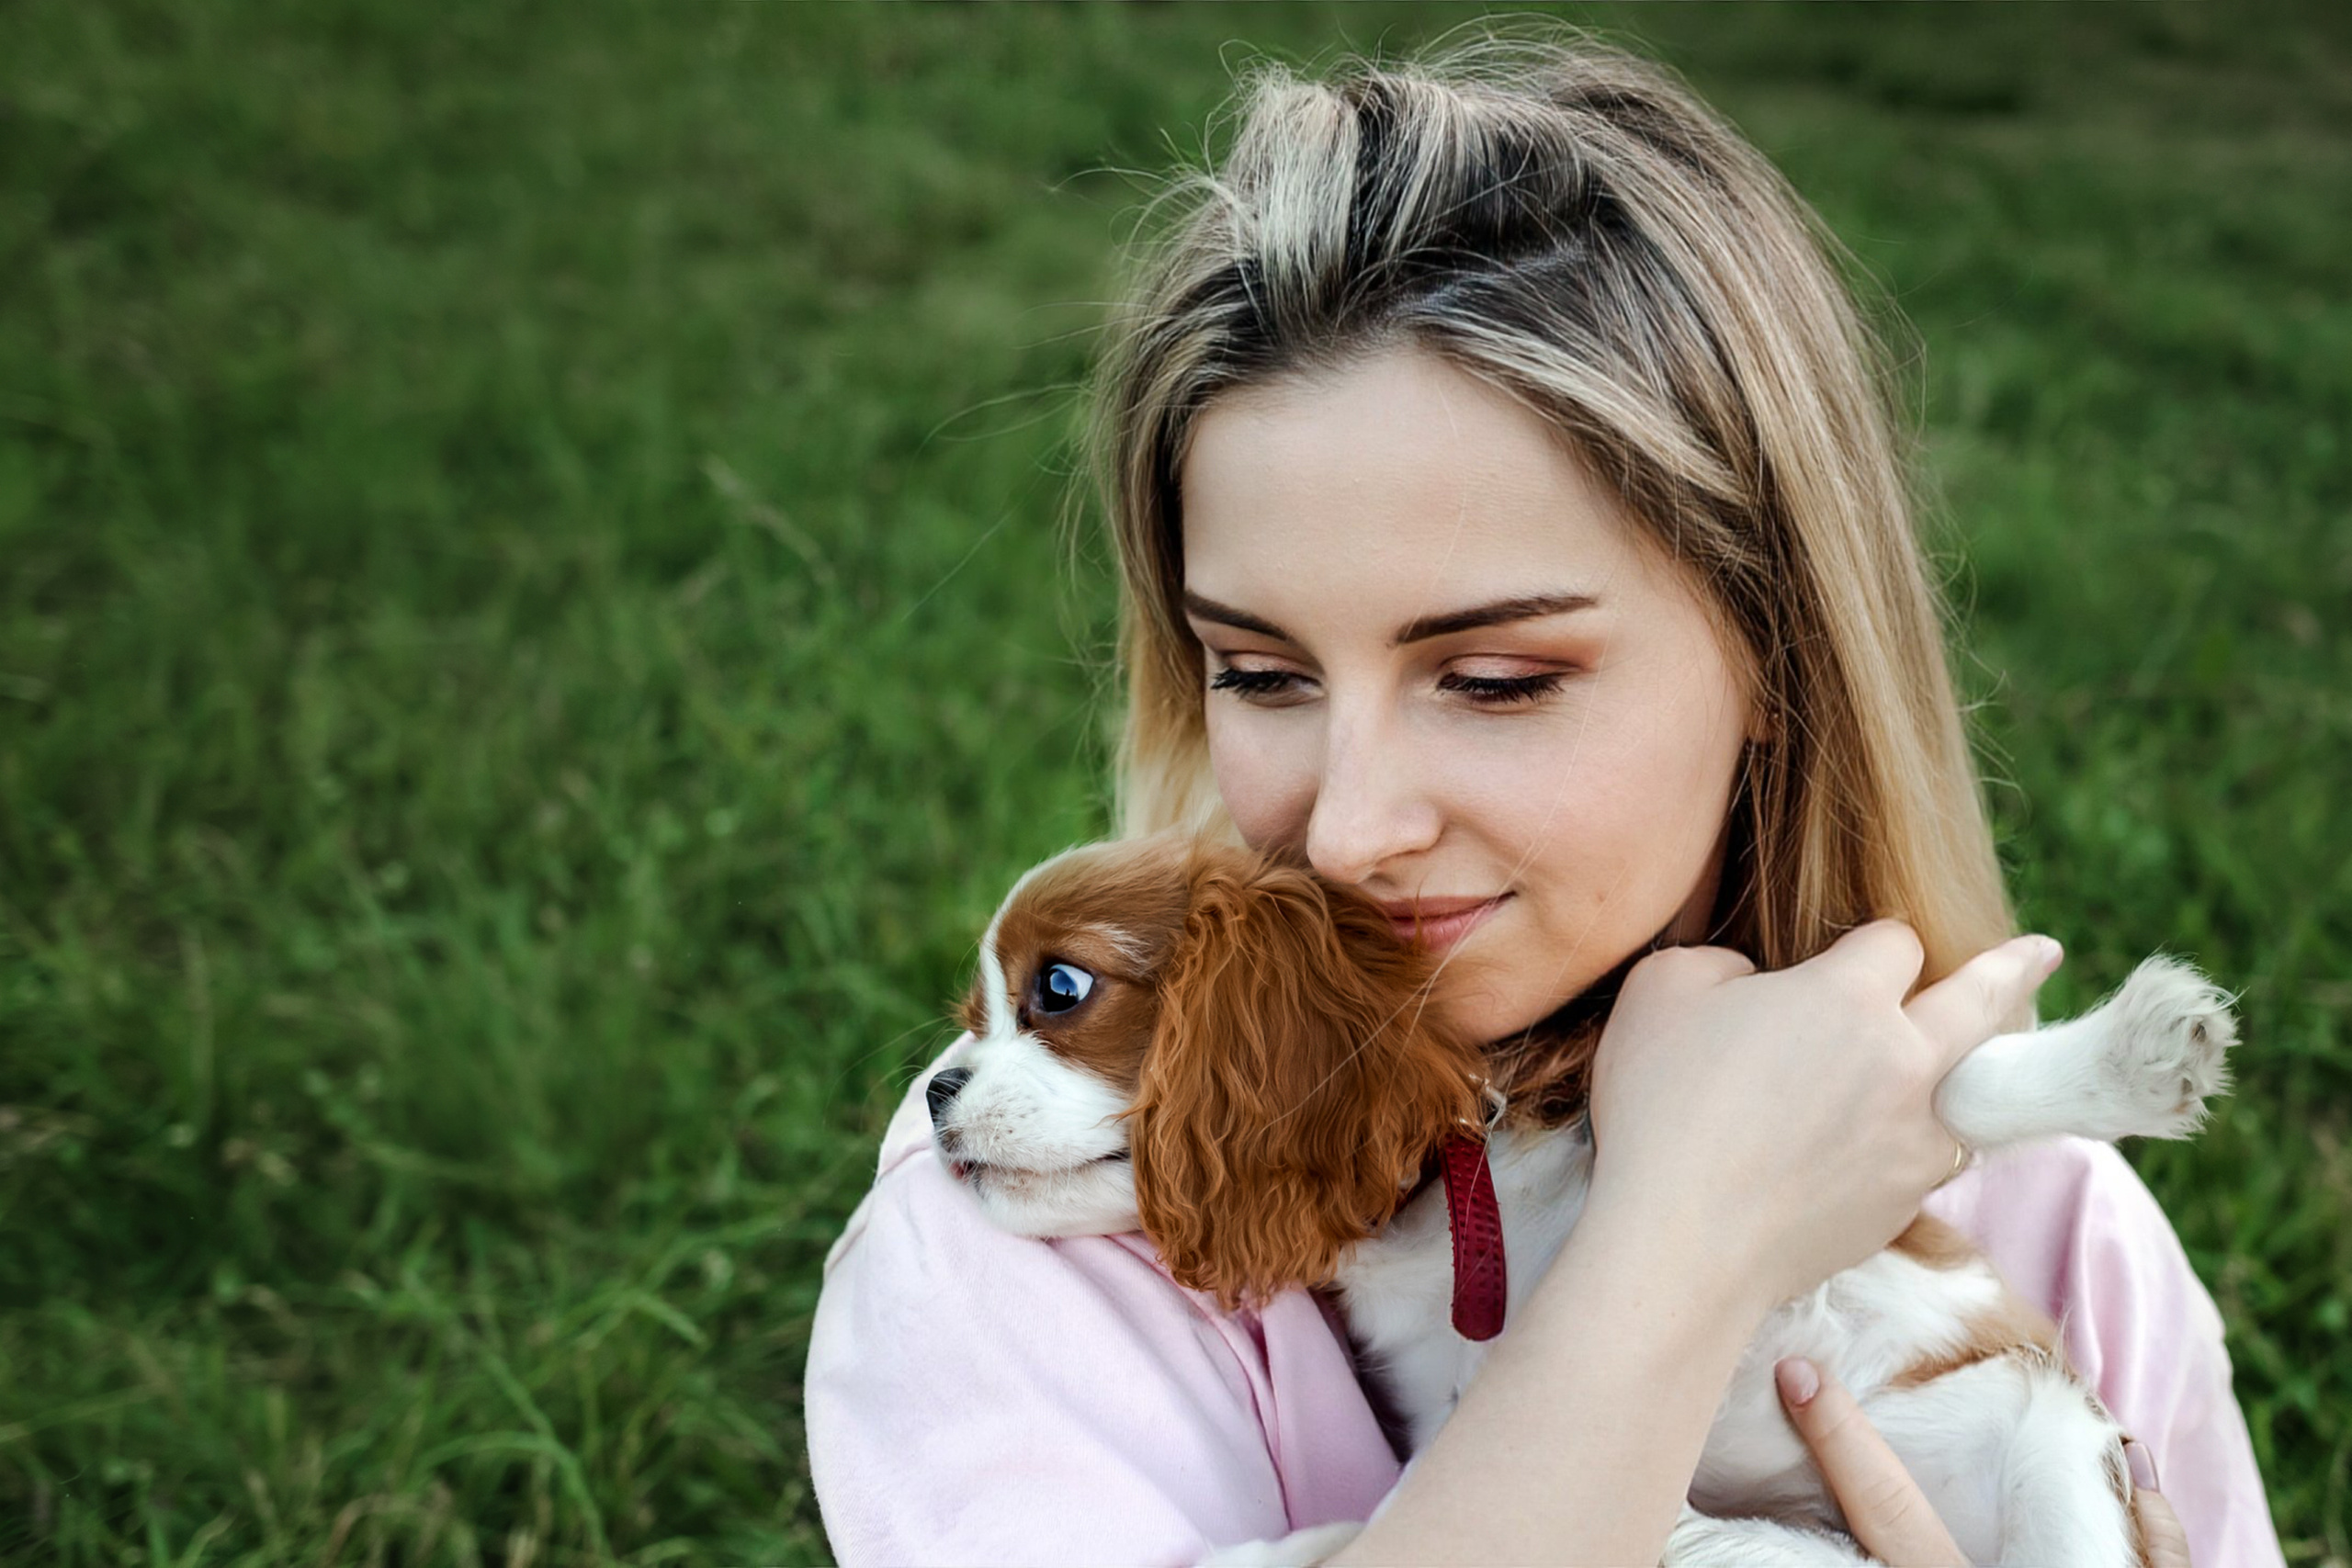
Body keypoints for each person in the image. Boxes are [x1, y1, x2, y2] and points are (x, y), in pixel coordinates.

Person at [805, 29, 2279, 1566]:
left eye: (1497, 682)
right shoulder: (1024, 1239)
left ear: (1778, 658)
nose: (1353, 828)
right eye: (1259, 673)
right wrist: (1681, 1248)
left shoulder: (2055, 1223)